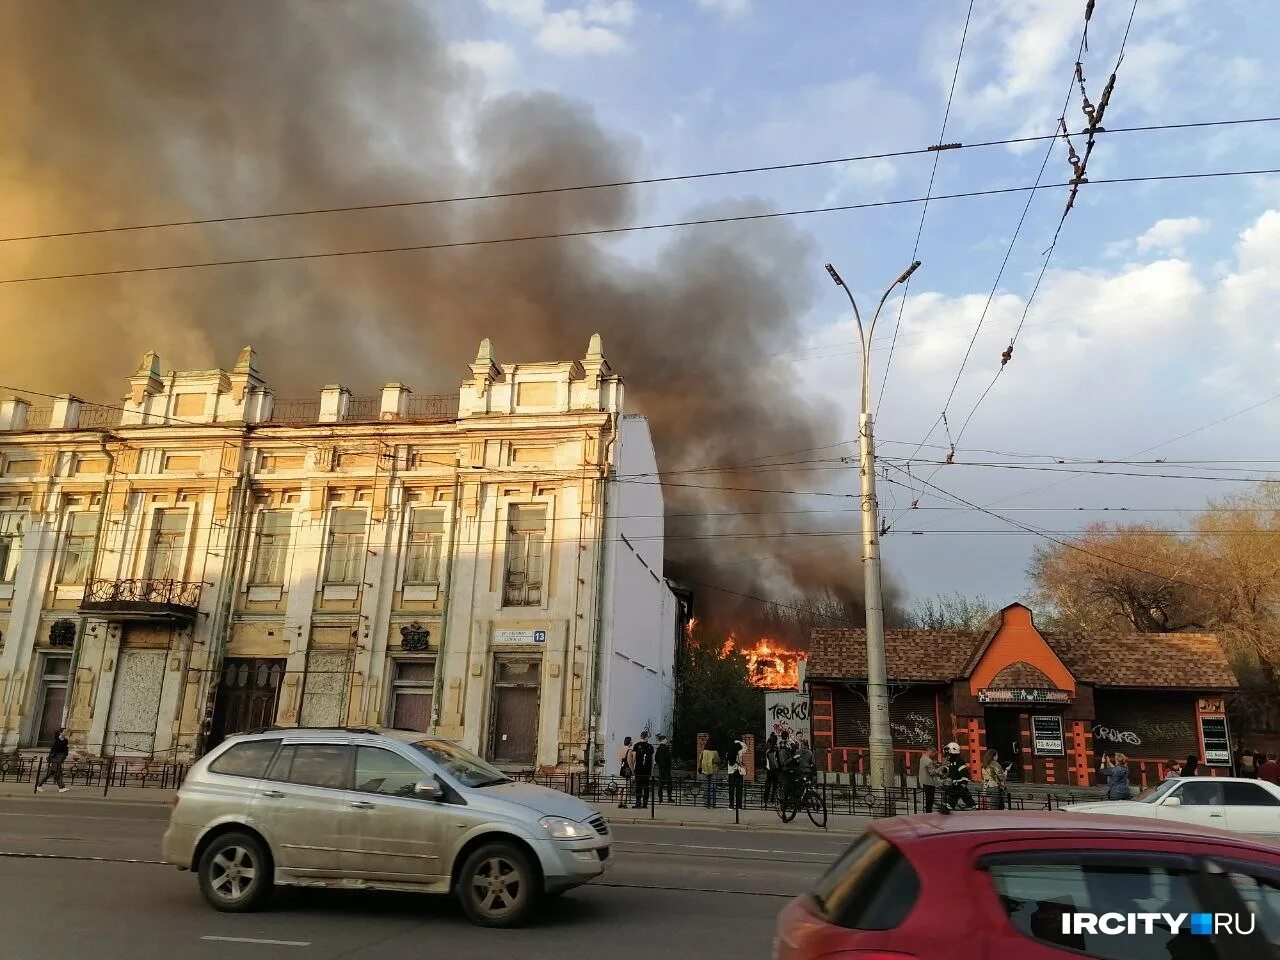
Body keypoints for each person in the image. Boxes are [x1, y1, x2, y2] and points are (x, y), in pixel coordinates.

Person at [36, 727, 71, 793]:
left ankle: (39, 785)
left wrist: (64, 755)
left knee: (51, 772)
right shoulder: (56, 740)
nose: (66, 732)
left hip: (60, 758)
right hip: (55, 758)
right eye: (65, 731)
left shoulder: (65, 740)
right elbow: (53, 750)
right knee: (58, 772)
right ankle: (61, 787)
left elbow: (65, 749)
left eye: (66, 731)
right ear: (61, 732)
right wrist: (51, 757)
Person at [943, 742, 975, 811]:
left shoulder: (958, 761)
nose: (946, 751)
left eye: (948, 750)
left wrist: (964, 782)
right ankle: (972, 805)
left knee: (954, 793)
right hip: (956, 782)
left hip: (960, 782)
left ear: (953, 750)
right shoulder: (952, 761)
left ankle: (950, 805)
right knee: (965, 795)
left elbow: (964, 772)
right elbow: (952, 771)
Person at [631, 731, 655, 808]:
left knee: (638, 786)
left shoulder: (636, 746)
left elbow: (634, 758)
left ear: (641, 736)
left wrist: (633, 768)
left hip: (638, 769)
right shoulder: (650, 747)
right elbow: (652, 760)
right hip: (647, 770)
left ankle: (638, 803)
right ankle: (645, 803)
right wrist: (651, 770)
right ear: (647, 737)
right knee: (646, 787)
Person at [726, 736, 746, 810]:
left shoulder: (729, 752)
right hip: (739, 771)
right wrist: (738, 742)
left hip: (731, 772)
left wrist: (734, 742)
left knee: (731, 789)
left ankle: (731, 805)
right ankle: (739, 806)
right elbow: (745, 747)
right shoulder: (740, 752)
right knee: (739, 789)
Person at [918, 746, 941, 813]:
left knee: (928, 800)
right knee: (930, 800)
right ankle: (929, 813)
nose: (934, 755)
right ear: (931, 752)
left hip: (923, 781)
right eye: (934, 753)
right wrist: (939, 769)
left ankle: (928, 812)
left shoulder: (922, 758)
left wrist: (934, 764)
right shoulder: (929, 761)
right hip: (929, 783)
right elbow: (932, 772)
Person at [699, 739, 719, 808]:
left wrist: (700, 768)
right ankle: (712, 803)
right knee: (712, 787)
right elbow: (717, 760)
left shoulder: (703, 752)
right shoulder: (715, 752)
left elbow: (700, 760)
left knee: (706, 787)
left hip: (705, 770)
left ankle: (706, 803)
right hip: (713, 770)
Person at [763, 732, 781, 804]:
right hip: (774, 769)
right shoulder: (775, 749)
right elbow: (775, 760)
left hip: (769, 769)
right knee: (775, 785)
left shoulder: (767, 746)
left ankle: (765, 800)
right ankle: (772, 800)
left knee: (768, 785)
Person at [655, 734, 674, 802]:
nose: (667, 740)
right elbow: (668, 758)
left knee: (661, 784)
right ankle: (669, 797)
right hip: (666, 767)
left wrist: (659, 764)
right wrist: (669, 764)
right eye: (666, 739)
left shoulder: (658, 748)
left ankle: (660, 798)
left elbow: (656, 758)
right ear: (663, 740)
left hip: (661, 767)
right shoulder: (666, 748)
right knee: (669, 783)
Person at [617, 735, 634, 809]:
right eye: (631, 740)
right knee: (626, 788)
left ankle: (619, 802)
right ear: (629, 742)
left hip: (622, 769)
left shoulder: (620, 749)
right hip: (627, 770)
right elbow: (630, 761)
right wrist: (632, 770)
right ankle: (624, 803)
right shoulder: (629, 750)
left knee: (620, 788)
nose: (632, 742)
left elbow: (620, 760)